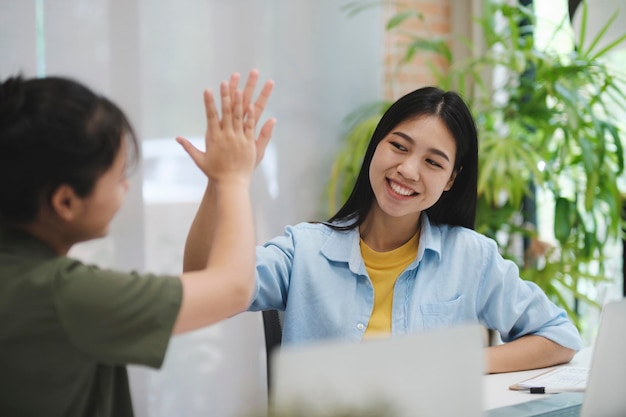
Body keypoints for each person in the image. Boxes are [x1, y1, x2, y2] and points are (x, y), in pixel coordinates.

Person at [183, 84, 583, 374]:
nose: (408, 170)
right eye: (400, 146)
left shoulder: (471, 256)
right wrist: (222, 181)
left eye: (433, 162)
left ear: (450, 179)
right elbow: (203, 282)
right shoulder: (303, 251)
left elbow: (560, 336)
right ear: (377, 146)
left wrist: (461, 363)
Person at [0, 69, 275, 416]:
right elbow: (232, 287)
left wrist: (221, 181)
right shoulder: (63, 295)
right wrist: (234, 178)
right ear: (66, 202)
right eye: (118, 177)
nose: (126, 187)